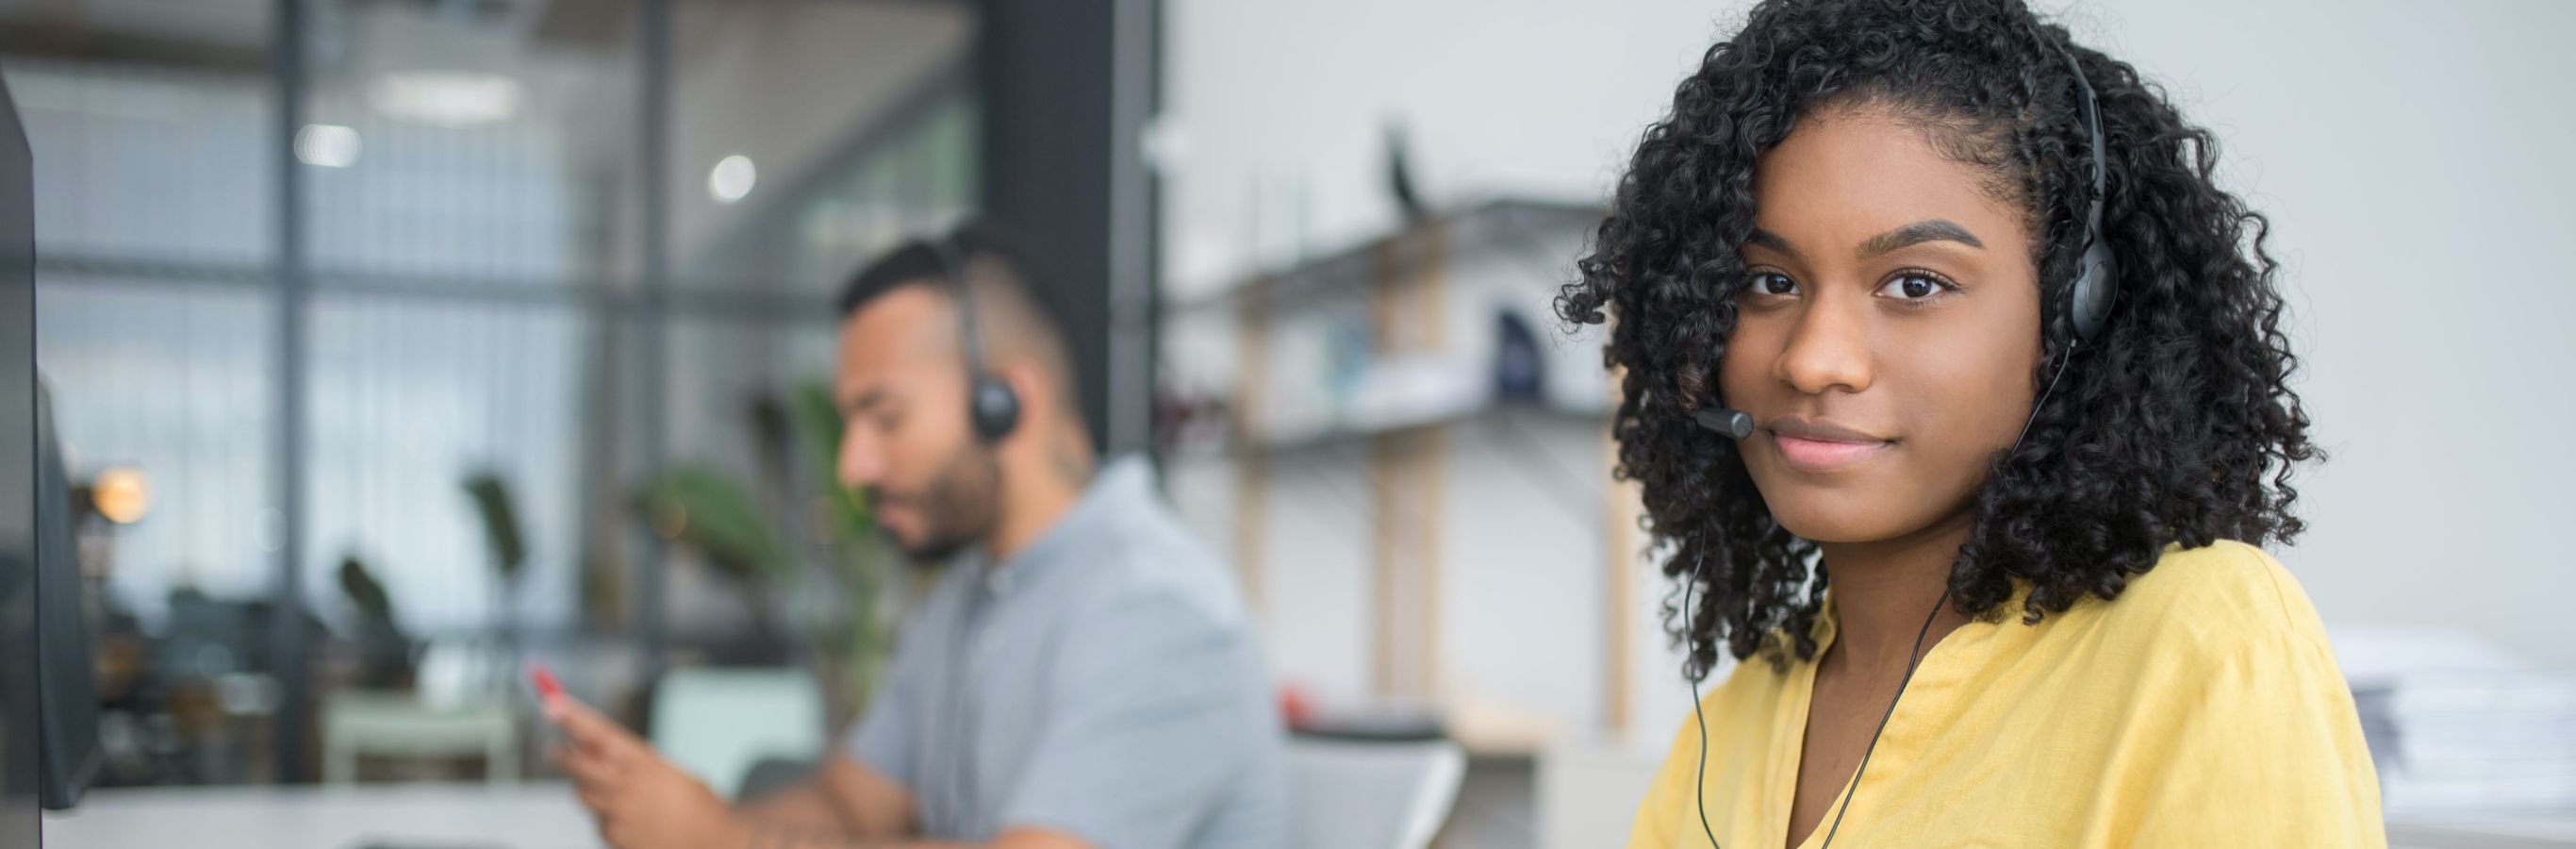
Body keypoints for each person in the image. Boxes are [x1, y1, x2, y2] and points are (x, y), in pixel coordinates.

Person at [1558, 0, 2383, 845]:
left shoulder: (2202, 643)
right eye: (1769, 282)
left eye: (1914, 284)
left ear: (2077, 314)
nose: (1813, 361)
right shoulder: (1730, 725)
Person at [544, 224, 1291, 849]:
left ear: (1006, 401)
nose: (853, 463)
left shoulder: (1157, 609)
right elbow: (849, 811)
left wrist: (721, 842)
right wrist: (680, 808)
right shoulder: (965, 601)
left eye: (887, 418)